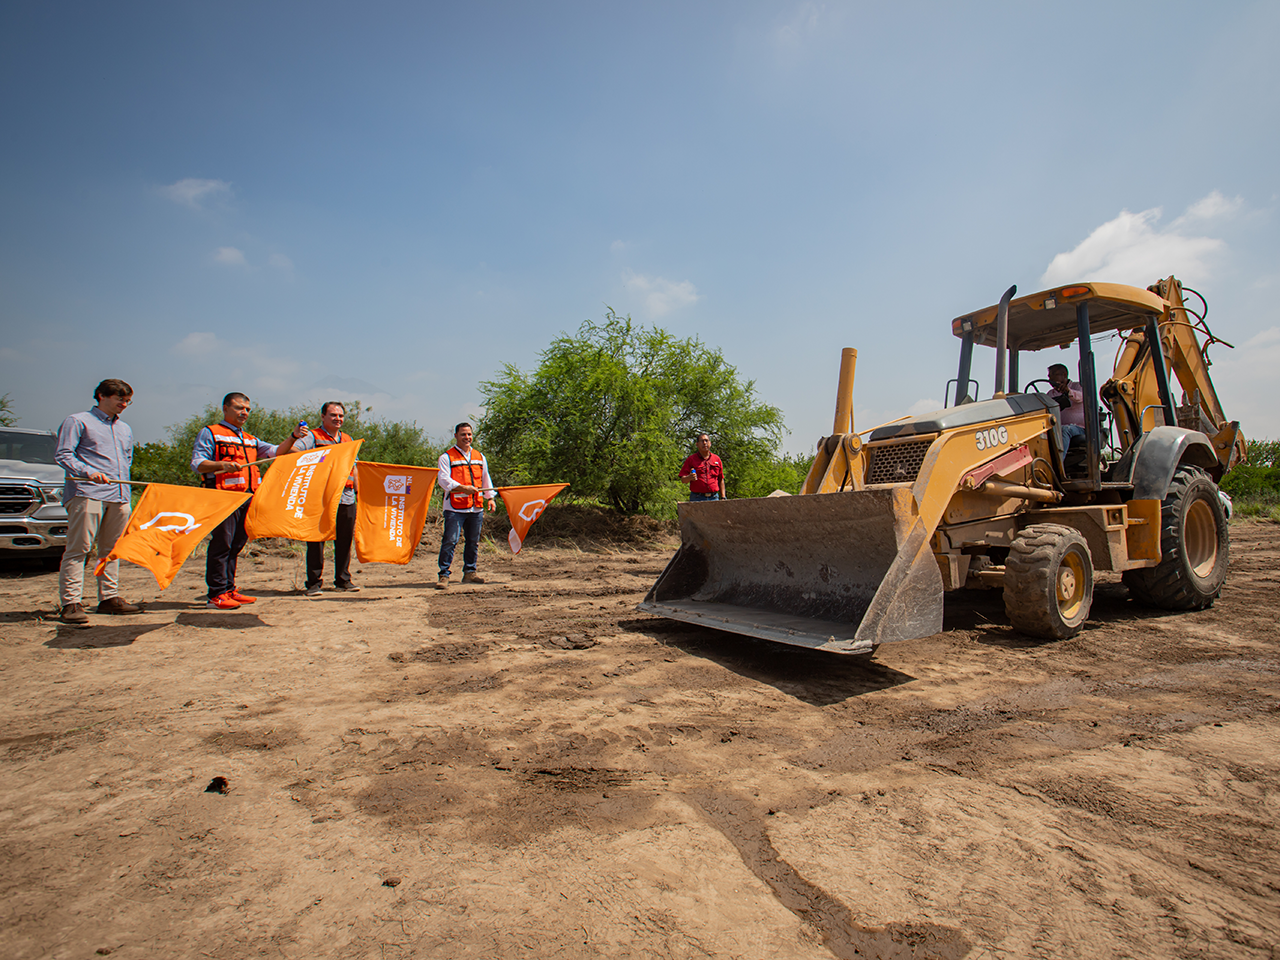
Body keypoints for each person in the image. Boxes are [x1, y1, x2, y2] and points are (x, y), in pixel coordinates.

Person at [191, 393, 306, 609]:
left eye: (247, 409)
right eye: (238, 408)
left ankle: (229, 588)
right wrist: (220, 465)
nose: (244, 412)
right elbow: (197, 463)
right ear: (225, 409)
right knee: (221, 544)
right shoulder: (211, 433)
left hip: (247, 497)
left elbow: (276, 452)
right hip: (222, 497)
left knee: (236, 545)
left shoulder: (250, 439)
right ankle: (216, 594)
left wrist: (294, 436)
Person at [54, 379, 141, 625]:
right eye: (119, 399)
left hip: (119, 496)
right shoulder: (78, 421)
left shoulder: (125, 428)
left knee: (112, 550)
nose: (124, 404)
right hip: (87, 492)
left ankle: (109, 598)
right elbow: (63, 454)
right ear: (102, 396)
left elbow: (127, 459)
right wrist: (86, 471)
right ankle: (71, 603)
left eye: (127, 401)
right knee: (79, 548)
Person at [291, 401, 359, 596]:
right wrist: (319, 460)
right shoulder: (312, 436)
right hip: (320, 498)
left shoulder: (347, 439)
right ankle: (313, 583)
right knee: (316, 540)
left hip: (345, 497)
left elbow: (355, 467)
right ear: (323, 417)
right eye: (333, 415)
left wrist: (357, 493)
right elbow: (294, 452)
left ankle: (343, 580)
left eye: (340, 415)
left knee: (345, 541)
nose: (338, 419)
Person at [436, 422, 495, 588]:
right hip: (454, 507)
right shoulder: (446, 457)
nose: (467, 437)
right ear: (456, 436)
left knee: (473, 541)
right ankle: (444, 575)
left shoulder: (479, 456)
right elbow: (444, 480)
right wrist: (463, 488)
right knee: (450, 540)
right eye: (463, 434)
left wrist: (490, 498)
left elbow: (485, 478)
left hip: (475, 507)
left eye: (469, 434)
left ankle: (470, 572)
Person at [678, 433, 726, 501]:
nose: (704, 443)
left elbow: (721, 479)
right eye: (702, 441)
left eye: (706, 440)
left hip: (714, 497)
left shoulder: (717, 459)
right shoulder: (691, 459)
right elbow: (683, 480)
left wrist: (723, 497)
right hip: (697, 498)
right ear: (697, 444)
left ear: (710, 443)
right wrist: (689, 477)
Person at [1047, 363, 1087, 446]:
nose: (1050, 378)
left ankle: (1059, 459)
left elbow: (1082, 397)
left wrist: (1068, 392)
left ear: (1064, 374)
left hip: (1079, 428)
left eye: (1053, 374)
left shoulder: (1078, 386)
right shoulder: (1050, 394)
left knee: (1065, 430)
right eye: (1049, 375)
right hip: (1057, 429)